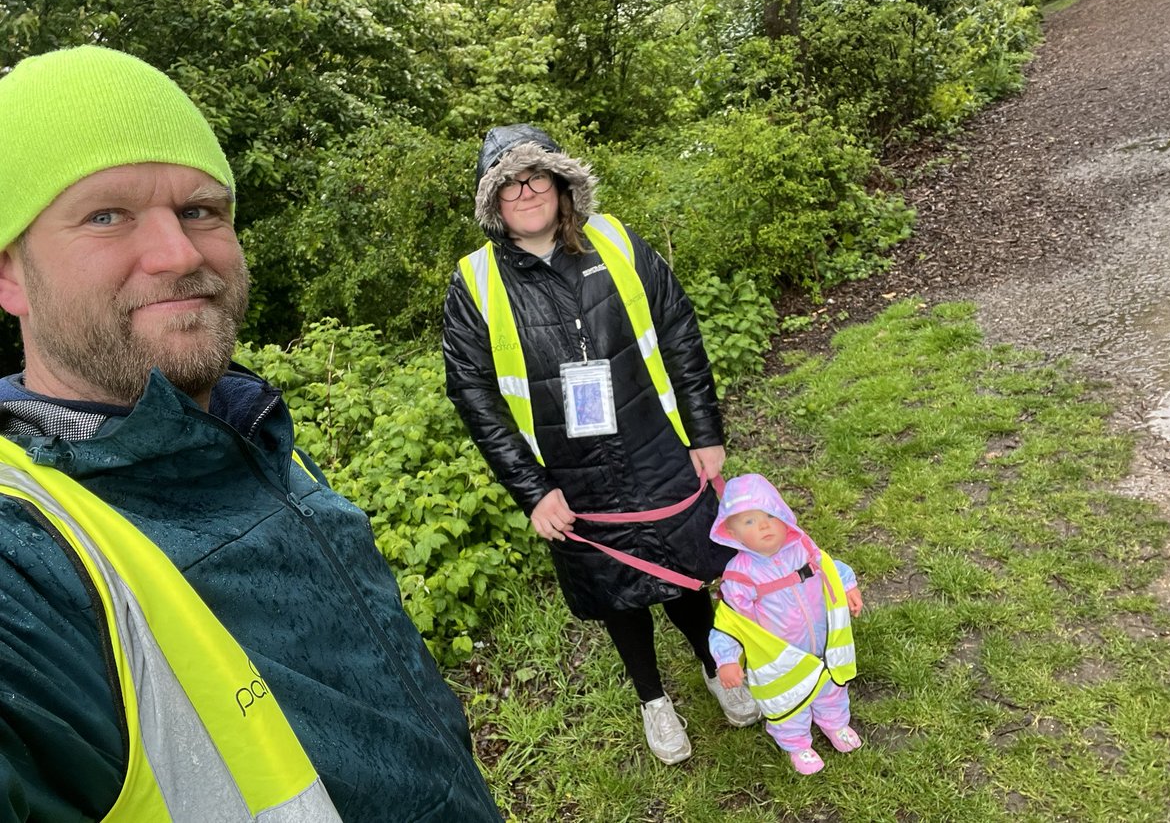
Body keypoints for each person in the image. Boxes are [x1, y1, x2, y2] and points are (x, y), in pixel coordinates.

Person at [0, 45, 502, 822]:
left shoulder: (250, 431)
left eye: (201, 210)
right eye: (106, 216)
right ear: (8, 274)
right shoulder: (26, 564)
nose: (180, 253)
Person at [442, 124, 760, 765]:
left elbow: (680, 335)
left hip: (656, 443)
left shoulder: (616, 241)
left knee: (686, 570)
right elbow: (473, 394)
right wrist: (533, 492)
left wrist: (705, 434)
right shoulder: (475, 282)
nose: (526, 191)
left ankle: (713, 667)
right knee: (617, 585)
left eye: (536, 177)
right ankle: (654, 702)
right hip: (569, 469)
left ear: (561, 185)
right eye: (509, 184)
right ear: (494, 205)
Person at [708, 473, 865, 775]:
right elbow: (729, 624)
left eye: (769, 515)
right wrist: (726, 659)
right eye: (749, 522)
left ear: (783, 514)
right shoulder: (740, 577)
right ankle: (797, 743)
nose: (764, 525)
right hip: (782, 656)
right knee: (789, 699)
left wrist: (848, 585)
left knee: (830, 684)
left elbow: (829, 566)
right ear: (732, 532)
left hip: (822, 642)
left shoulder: (803, 548)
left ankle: (836, 723)